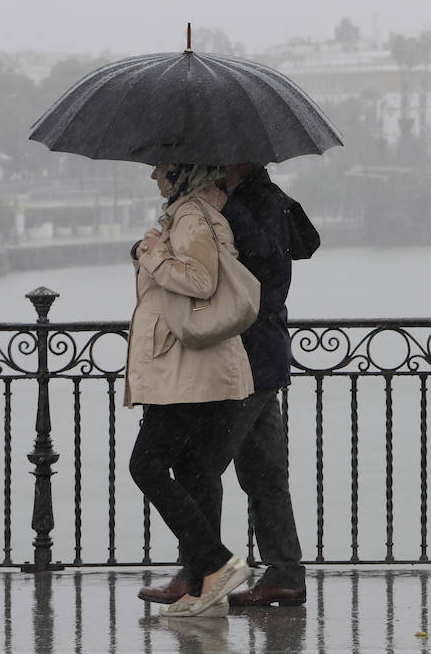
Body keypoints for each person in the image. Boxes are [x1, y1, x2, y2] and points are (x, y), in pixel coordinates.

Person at [138, 162, 316, 609]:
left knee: (200, 465)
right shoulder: (251, 200)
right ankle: (284, 574)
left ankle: (205, 571)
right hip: (258, 356)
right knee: (264, 472)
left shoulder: (254, 202)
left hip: (248, 357)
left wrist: (222, 214)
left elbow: (267, 272)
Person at [126, 163, 257, 618]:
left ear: (183, 171)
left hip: (189, 373)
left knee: (145, 465)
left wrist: (156, 257)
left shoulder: (193, 216)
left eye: (160, 169)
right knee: (194, 470)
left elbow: (200, 280)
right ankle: (205, 590)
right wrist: (146, 251)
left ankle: (217, 563)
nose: (153, 176)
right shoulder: (188, 215)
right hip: (195, 370)